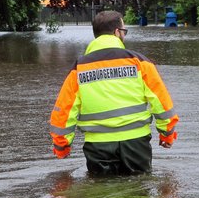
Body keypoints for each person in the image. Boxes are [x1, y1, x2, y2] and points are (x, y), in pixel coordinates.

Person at [49, 10, 178, 176]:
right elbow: (162, 103)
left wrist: (62, 146)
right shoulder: (140, 62)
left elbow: (64, 111)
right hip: (136, 142)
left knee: (101, 194)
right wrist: (167, 135)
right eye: (123, 31)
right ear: (117, 32)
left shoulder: (79, 68)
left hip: (98, 146)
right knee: (138, 194)